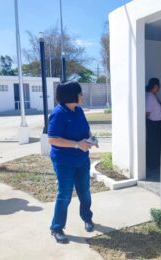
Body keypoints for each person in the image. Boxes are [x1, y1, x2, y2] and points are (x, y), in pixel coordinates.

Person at [48, 81, 97, 244]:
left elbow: (86, 129)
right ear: (72, 95)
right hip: (64, 161)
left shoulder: (79, 110)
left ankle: (87, 218)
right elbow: (53, 139)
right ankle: (56, 228)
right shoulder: (58, 113)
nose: (82, 96)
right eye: (80, 93)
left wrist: (92, 138)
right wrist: (77, 144)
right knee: (65, 195)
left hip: (82, 159)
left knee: (84, 191)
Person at [145, 78, 161, 170]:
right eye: (158, 85)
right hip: (153, 124)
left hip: (158, 123)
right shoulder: (150, 97)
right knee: (153, 144)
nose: (159, 87)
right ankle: (152, 163)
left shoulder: (154, 95)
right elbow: (147, 113)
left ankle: (156, 162)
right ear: (155, 86)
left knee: (158, 144)